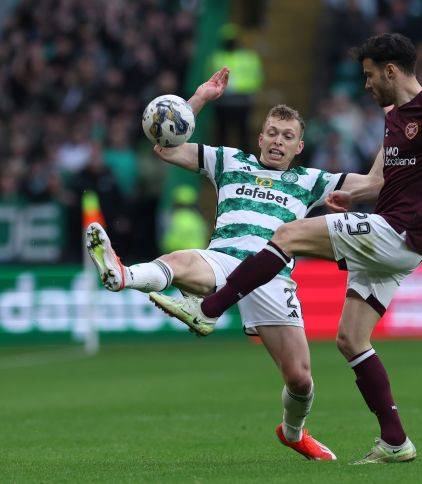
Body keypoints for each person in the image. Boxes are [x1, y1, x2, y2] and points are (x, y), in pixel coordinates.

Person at [177, 33, 422, 464]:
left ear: (391, 71)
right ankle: (395, 441)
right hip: (395, 241)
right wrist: (353, 197)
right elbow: (381, 180)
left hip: (396, 232)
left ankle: (210, 309)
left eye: (370, 76)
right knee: (352, 340)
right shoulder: (395, 116)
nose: (366, 84)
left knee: (287, 234)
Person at [86, 67, 370, 461]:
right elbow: (166, 147)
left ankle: (293, 432)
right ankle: (122, 275)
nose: (277, 141)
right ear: (260, 137)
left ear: (299, 146)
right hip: (223, 259)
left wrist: (404, 149)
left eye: (287, 136)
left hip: (272, 276)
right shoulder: (229, 161)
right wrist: (199, 98)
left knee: (300, 380)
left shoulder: (312, 181)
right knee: (181, 259)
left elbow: (371, 184)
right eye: (272, 132)